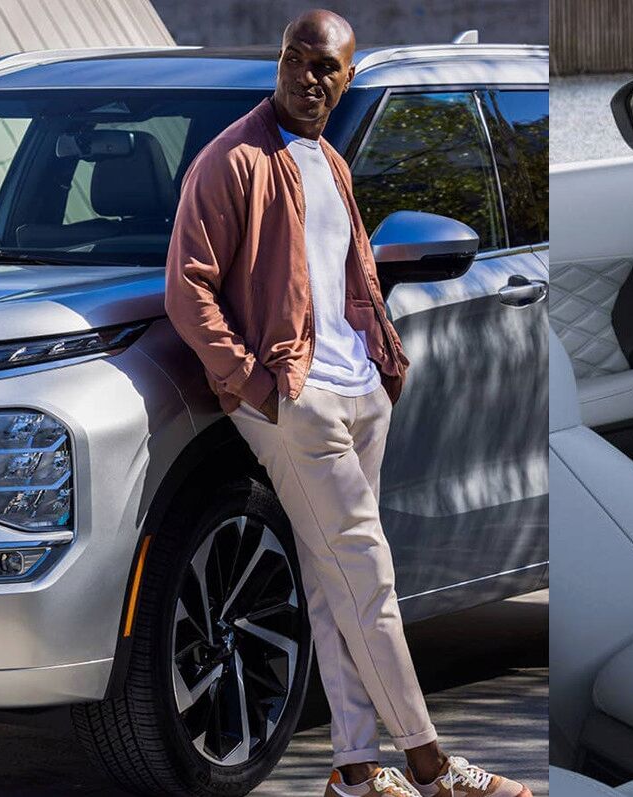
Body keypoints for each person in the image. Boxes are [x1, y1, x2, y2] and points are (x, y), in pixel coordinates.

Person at [163, 9, 532, 797]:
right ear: (281, 62)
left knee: (336, 586)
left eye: (326, 67)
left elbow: (348, 280)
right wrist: (257, 387)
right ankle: (432, 765)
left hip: (361, 392)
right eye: (297, 60)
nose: (309, 77)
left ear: (346, 78)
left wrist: (381, 358)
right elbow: (186, 291)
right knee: (368, 575)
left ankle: (355, 770)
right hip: (295, 403)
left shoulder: (331, 162)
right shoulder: (230, 162)